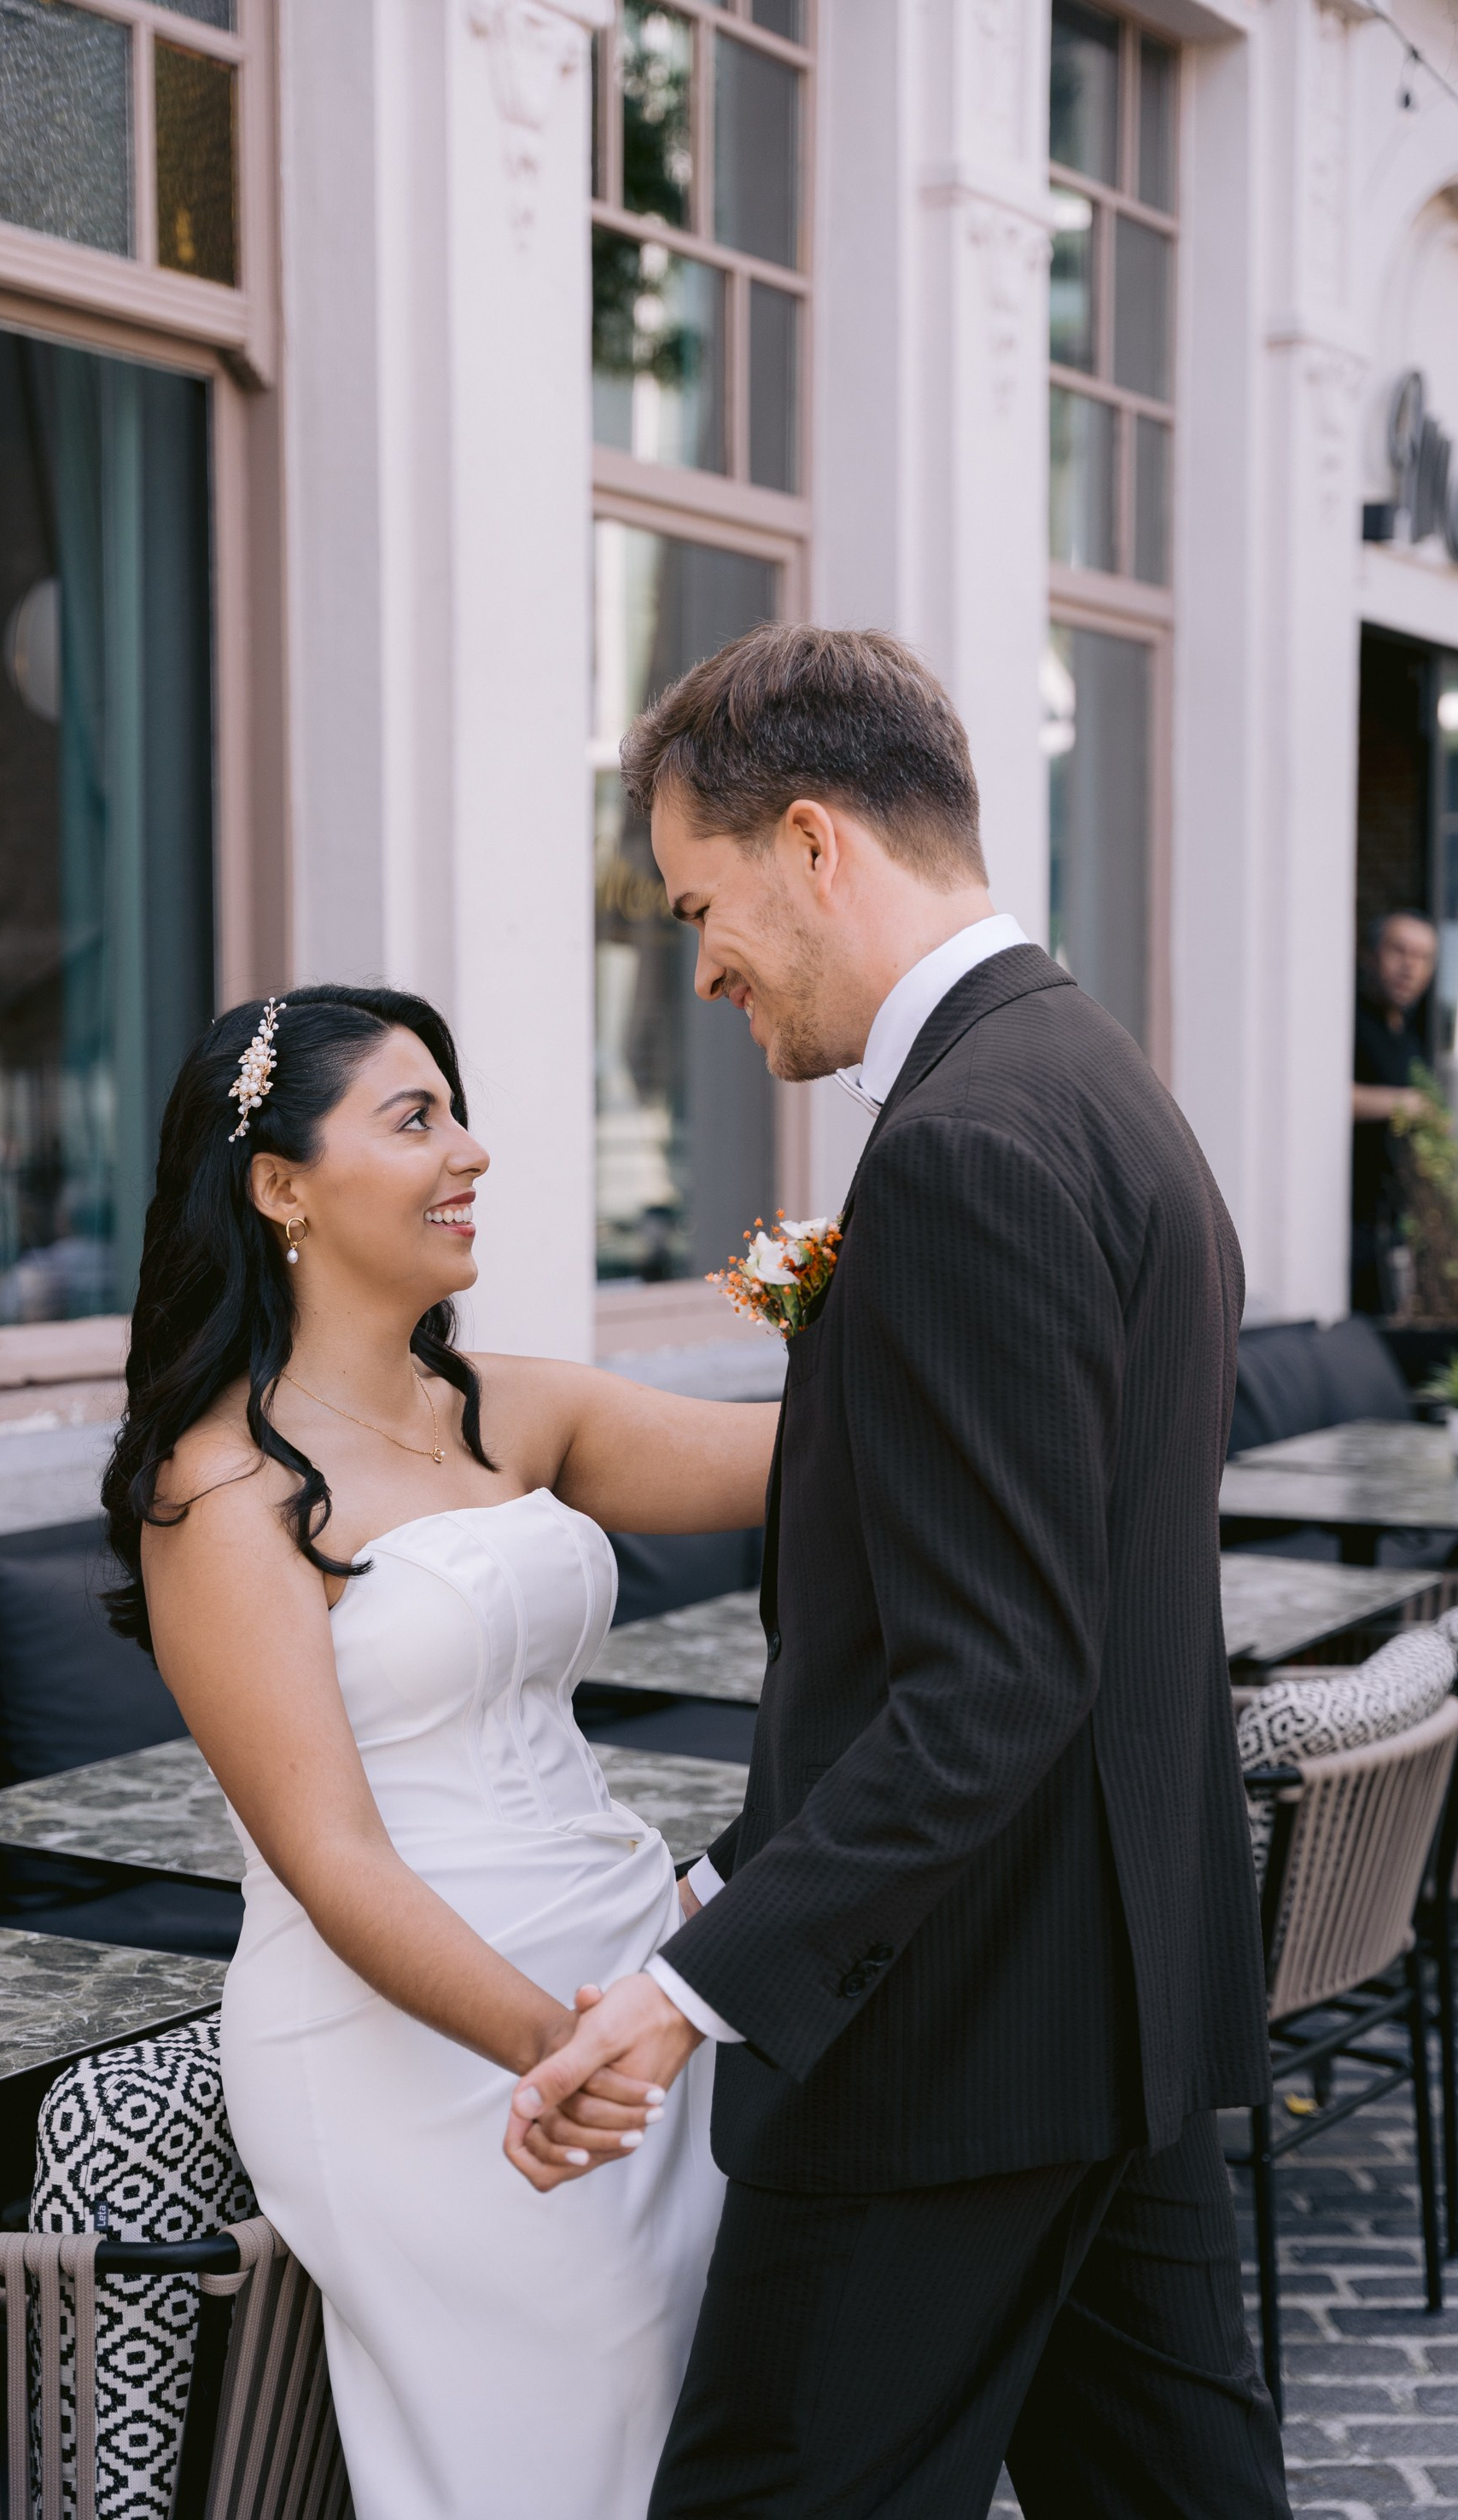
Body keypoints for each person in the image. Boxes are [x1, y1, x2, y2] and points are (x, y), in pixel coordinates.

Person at [514, 626, 1291, 2519]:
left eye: (700, 902)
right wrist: (728, 1876)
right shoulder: (1097, 1082)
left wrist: (701, 1984)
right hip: (1107, 2007)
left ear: (812, 842)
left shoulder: (963, 1147)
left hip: (947, 2044)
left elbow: (994, 1674)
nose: (697, 964)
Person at [101, 985, 771, 2520]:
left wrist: (916, 1299)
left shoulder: (502, 1406)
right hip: (417, 2035)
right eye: (415, 1118)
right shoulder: (222, 1491)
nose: (469, 1149)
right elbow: (328, 1854)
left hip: (622, 1973)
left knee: (691, 2425)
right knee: (557, 2441)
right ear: (280, 1183)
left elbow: (807, 1459)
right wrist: (555, 2052)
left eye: (455, 1109)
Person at [1352, 909, 1439, 1314]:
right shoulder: (1344, 1019)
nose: (1410, 967)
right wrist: (1411, 1105)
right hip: (1346, 1219)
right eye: (1399, 951)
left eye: (1422, 958)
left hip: (1391, 1223)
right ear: (1369, 955)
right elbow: (1316, 1097)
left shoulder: (1408, 1032)